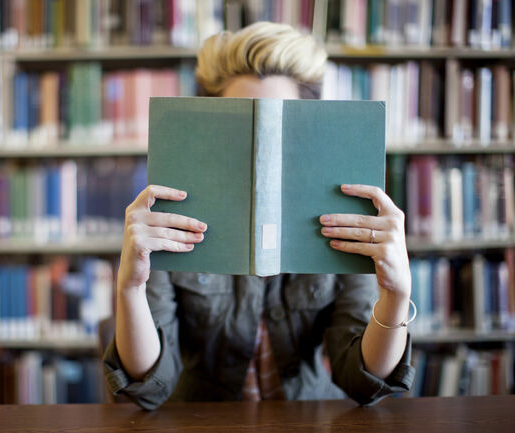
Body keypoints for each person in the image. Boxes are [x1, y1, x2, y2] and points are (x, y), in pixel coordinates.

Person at [103, 22, 415, 410]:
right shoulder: (174, 217)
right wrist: (129, 289)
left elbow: (362, 380)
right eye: (243, 128)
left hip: (308, 418)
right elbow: (150, 383)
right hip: (202, 420)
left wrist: (397, 293)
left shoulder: (344, 214)